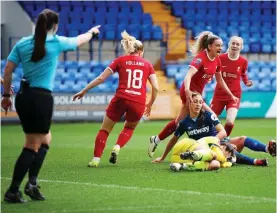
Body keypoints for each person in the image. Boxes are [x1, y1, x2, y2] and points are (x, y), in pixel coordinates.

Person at [1, 9, 101, 203]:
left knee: (45, 139)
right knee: (32, 144)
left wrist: (5, 95)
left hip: (23, 96)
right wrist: (92, 33)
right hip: (41, 97)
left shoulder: (22, 43)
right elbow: (80, 40)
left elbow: (8, 70)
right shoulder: (56, 42)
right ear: (55, 26)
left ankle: (31, 183)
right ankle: (13, 190)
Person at [73, 30, 158, 168]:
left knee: (105, 129)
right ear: (141, 52)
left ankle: (95, 159)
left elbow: (101, 78)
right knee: (129, 128)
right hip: (138, 101)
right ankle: (117, 146)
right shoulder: (148, 65)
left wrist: (84, 90)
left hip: (121, 98)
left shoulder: (120, 60)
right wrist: (150, 104)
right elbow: (156, 87)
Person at [148, 31, 239, 157]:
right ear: (210, 46)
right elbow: (188, 75)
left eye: (221, 45)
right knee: (212, 115)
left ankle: (156, 139)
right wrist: (187, 91)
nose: (221, 48)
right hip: (190, 92)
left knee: (178, 123)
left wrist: (230, 95)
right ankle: (220, 142)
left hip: (197, 94)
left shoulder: (217, 60)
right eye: (218, 45)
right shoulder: (201, 58)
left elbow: (220, 80)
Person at [152, 92, 275, 166]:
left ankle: (267, 149)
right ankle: (256, 162)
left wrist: (213, 140)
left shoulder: (208, 115)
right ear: (190, 103)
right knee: (228, 149)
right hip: (204, 149)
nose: (199, 104)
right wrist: (163, 157)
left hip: (218, 142)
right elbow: (173, 140)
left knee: (242, 139)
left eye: (200, 102)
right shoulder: (184, 123)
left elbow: (223, 131)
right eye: (195, 102)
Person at [210, 36, 253, 136]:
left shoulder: (243, 61)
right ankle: (209, 140)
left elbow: (243, 74)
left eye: (237, 44)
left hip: (234, 95)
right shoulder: (220, 58)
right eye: (233, 43)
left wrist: (246, 82)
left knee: (229, 122)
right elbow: (213, 71)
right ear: (229, 44)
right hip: (219, 94)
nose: (235, 46)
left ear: (241, 47)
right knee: (210, 121)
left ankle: (223, 140)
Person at [169, 136, 236, 172]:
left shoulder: (220, 158)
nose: (226, 157)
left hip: (177, 158)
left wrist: (229, 162)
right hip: (186, 145)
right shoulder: (216, 141)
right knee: (213, 155)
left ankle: (181, 166)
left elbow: (222, 163)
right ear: (223, 147)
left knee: (215, 164)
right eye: (227, 155)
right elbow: (220, 157)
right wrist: (228, 161)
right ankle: (195, 155)